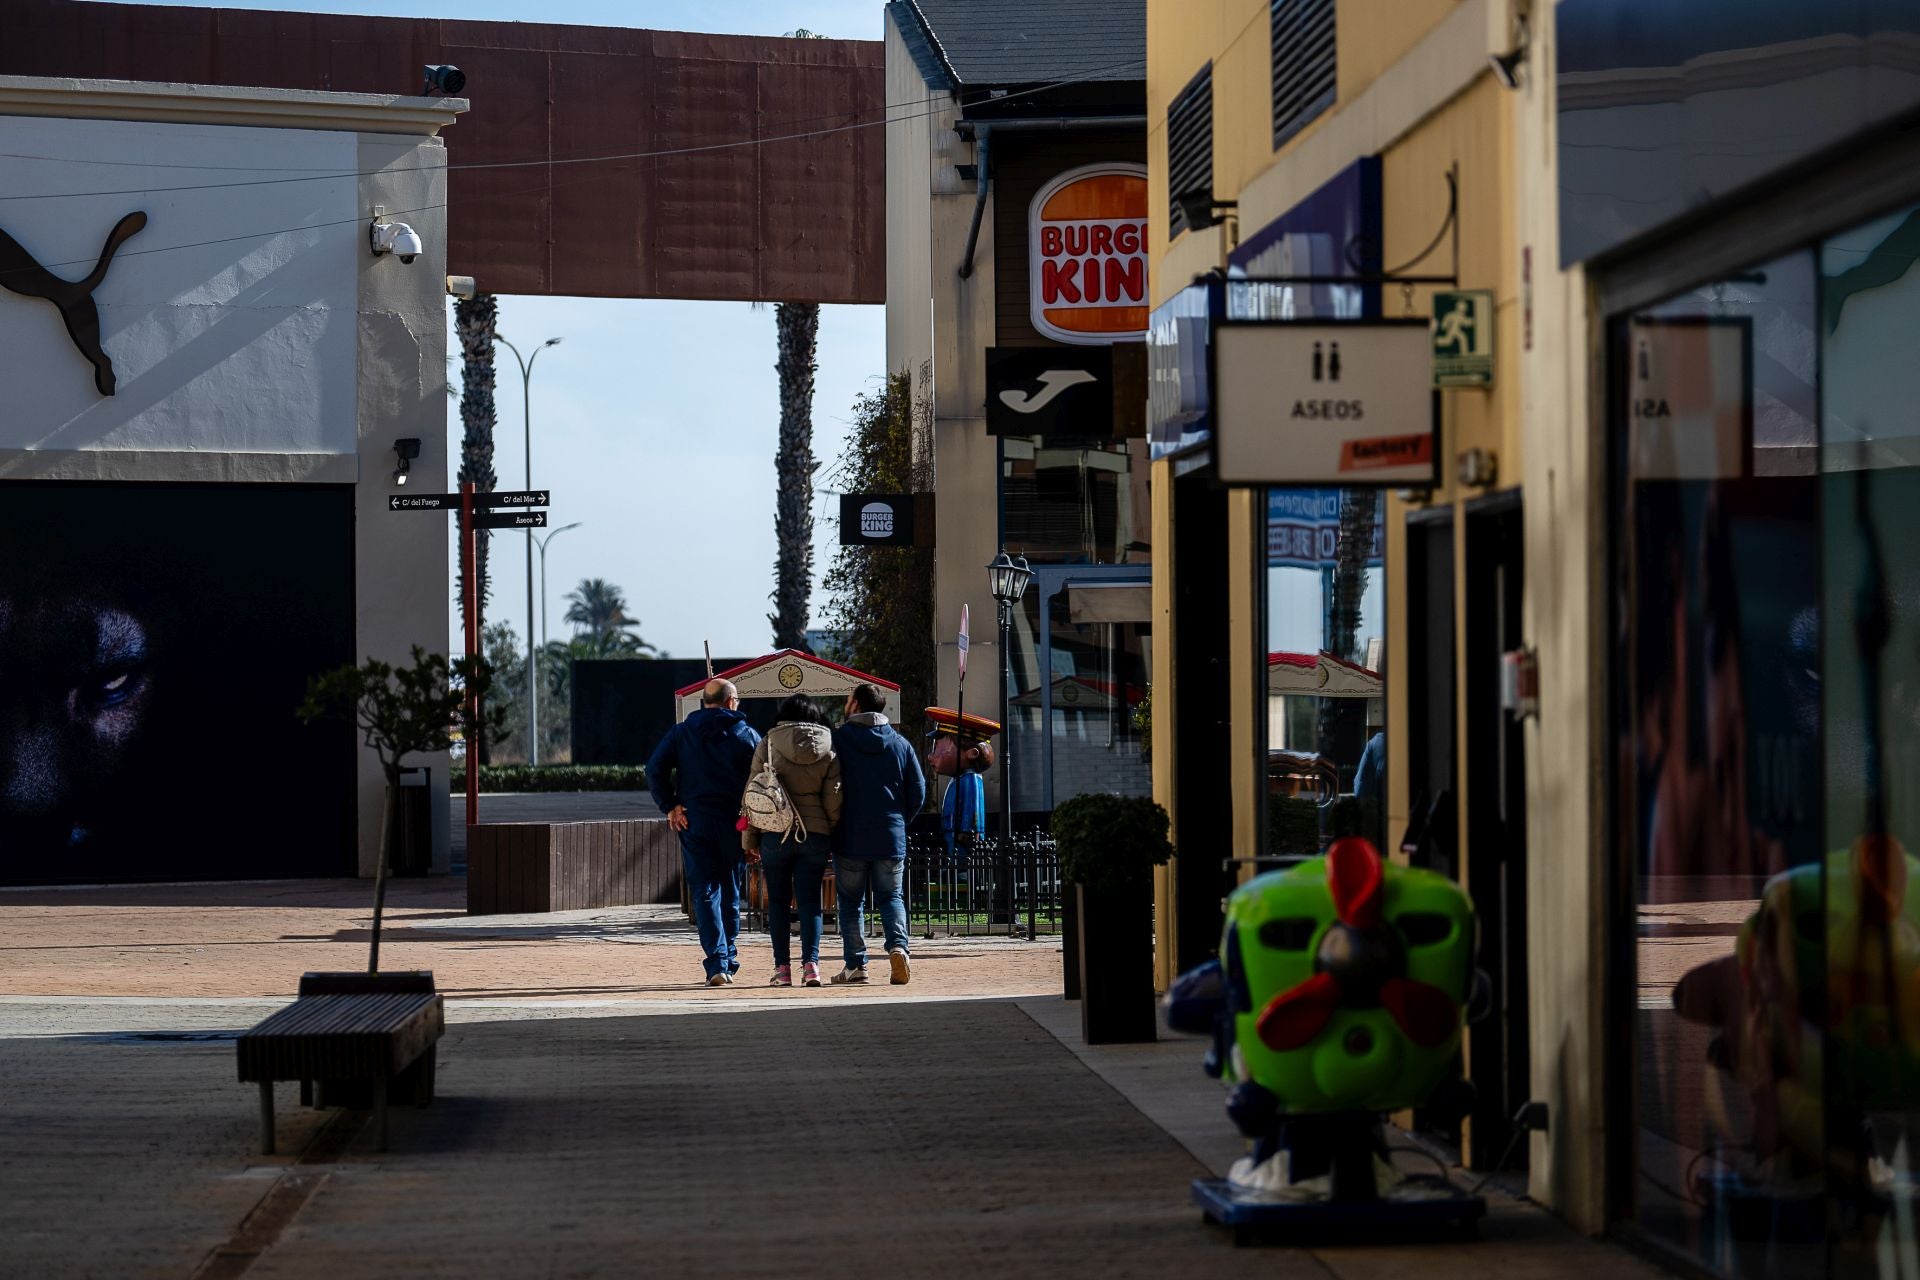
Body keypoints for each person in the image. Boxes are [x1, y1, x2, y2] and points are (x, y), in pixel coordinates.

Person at [647, 678, 761, 986]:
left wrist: (670, 805)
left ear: (704, 701)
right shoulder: (748, 735)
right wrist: (756, 829)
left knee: (706, 892)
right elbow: (764, 781)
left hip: (695, 821)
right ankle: (729, 956)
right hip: (736, 824)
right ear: (731, 702)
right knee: (730, 891)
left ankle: (717, 963)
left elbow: (654, 768)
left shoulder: (682, 733)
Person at [830, 683, 926, 985]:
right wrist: (899, 820)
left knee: (850, 901)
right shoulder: (900, 744)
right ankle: (899, 947)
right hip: (890, 836)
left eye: (848, 700)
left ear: (856, 704)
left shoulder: (839, 740)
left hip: (849, 835)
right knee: (891, 897)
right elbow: (919, 791)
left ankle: (856, 964)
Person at [744, 693, 842, 988]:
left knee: (778, 903)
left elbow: (752, 792)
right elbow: (834, 798)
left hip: (776, 833)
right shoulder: (828, 747)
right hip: (815, 834)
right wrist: (829, 831)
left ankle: (782, 969)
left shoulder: (768, 744)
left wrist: (749, 839)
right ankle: (811, 967)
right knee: (811, 902)